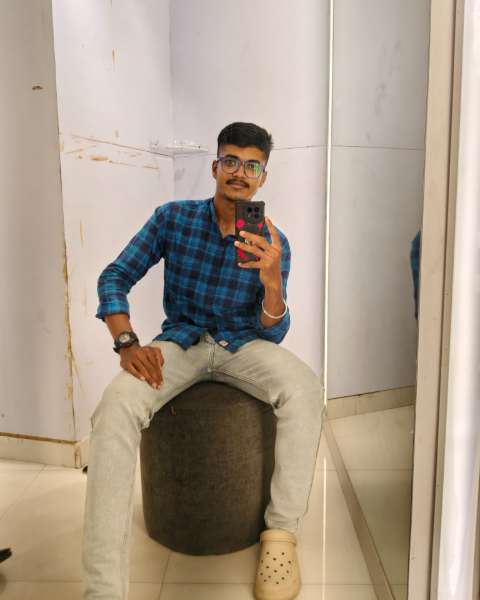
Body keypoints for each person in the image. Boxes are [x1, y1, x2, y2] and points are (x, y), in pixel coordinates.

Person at [83, 122, 324, 600]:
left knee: (305, 388)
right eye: (230, 161)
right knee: (114, 407)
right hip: (182, 341)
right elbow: (115, 275)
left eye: (251, 165)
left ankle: (280, 535)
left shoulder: (275, 241)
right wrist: (127, 342)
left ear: (262, 177)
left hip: (244, 344)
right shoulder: (173, 219)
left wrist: (272, 282)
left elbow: (274, 331)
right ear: (215, 167)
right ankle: (103, 591)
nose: (239, 172)